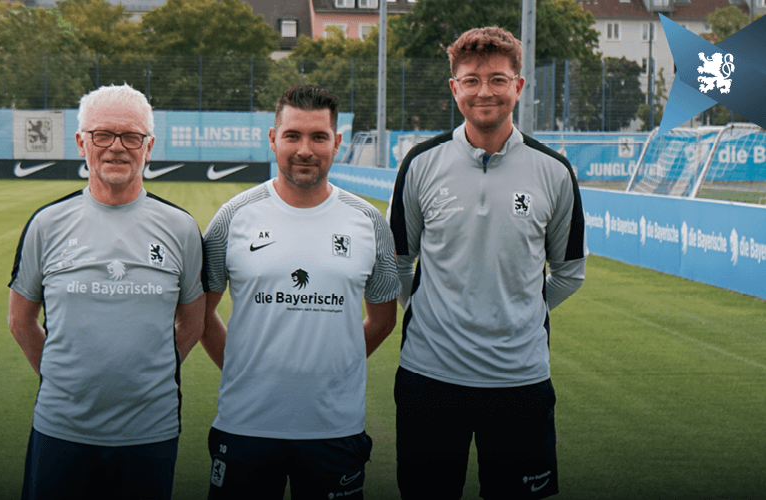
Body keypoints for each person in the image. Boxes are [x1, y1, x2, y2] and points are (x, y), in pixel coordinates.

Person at [387, 27, 588, 499]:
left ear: (518, 87)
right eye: (471, 80)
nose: (485, 92)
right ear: (454, 87)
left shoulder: (554, 171)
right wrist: (436, 316)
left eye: (498, 79)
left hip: (520, 382)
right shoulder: (420, 163)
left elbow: (569, 273)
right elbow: (398, 262)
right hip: (429, 378)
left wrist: (518, 311)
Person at [199, 85, 400, 500]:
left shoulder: (369, 222)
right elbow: (201, 314)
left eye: (318, 136)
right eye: (292, 136)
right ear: (272, 139)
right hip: (245, 425)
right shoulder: (232, 218)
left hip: (334, 429)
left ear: (337, 143)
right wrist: (241, 366)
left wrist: (332, 366)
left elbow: (382, 319)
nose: (305, 149)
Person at [7, 84, 206, 500]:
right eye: (103, 135)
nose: (117, 147)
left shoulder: (181, 228)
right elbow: (20, 320)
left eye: (131, 137)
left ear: (148, 147)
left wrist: (150, 371)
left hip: (151, 432)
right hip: (61, 428)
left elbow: (194, 320)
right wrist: (65, 380)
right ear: (82, 142)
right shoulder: (46, 224)